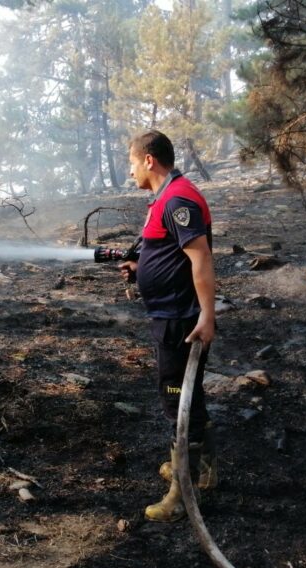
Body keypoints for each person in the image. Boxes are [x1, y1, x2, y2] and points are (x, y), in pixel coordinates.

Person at [119, 129, 218, 523]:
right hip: (171, 314)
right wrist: (140, 267)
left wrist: (207, 316)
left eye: (131, 163)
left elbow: (201, 259)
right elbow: (169, 253)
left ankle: (182, 490)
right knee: (188, 396)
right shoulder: (164, 198)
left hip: (182, 320)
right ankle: (206, 471)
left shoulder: (179, 199)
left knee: (176, 398)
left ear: (148, 160)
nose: (130, 173)